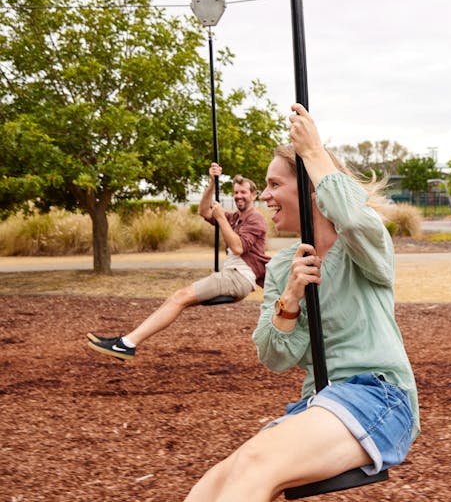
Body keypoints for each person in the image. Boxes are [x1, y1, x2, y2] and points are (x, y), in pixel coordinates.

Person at [184, 103, 419, 501]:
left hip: (380, 396)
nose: (267, 196)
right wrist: (290, 300)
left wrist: (313, 153)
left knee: (257, 461)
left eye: (275, 185)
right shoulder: (281, 267)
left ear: (310, 185)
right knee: (214, 482)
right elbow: (274, 356)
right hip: (319, 401)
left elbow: (357, 219)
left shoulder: (361, 248)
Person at [87, 163, 270, 361]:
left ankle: (126, 344)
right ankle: (127, 341)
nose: (239, 196)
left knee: (179, 297)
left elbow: (238, 247)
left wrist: (221, 218)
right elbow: (203, 211)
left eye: (243, 192)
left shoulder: (256, 219)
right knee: (177, 300)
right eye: (235, 192)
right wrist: (211, 184)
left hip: (238, 277)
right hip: (232, 275)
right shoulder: (235, 217)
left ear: (254, 195)